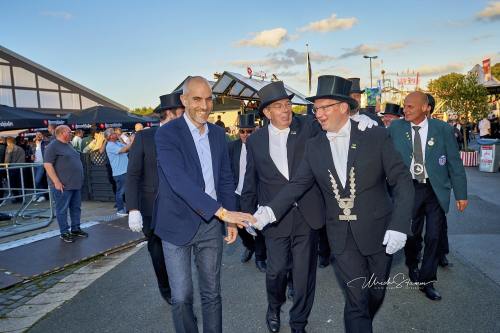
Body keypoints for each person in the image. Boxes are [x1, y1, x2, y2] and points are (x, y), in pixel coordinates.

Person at [241, 75, 413, 333]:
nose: (317, 114)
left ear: (344, 107)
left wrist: (400, 224)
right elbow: (296, 185)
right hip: (340, 237)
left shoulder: (374, 136)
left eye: (324, 108)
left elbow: (402, 181)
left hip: (378, 232)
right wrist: (263, 215)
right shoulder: (315, 146)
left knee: (375, 293)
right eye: (316, 108)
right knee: (356, 301)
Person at [153, 76, 254, 333]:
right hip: (176, 225)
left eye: (209, 99)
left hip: (210, 226)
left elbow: (225, 178)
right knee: (182, 296)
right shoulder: (166, 134)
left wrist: (228, 218)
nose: (204, 105)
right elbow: (178, 181)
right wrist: (223, 212)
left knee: (212, 293)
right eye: (197, 98)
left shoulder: (219, 134)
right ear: (184, 100)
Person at [388, 91, 468, 301]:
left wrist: (461, 194)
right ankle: (412, 264)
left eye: (410, 107)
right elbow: (380, 147)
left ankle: (427, 281)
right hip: (409, 189)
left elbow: (454, 163)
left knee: (434, 236)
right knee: (412, 235)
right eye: (404, 106)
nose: (404, 110)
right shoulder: (396, 127)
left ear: (426, 108)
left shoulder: (442, 129)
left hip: (435, 190)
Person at [126, 92, 185, 305]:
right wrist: (132, 209)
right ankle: (165, 287)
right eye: (182, 112)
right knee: (158, 252)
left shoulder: (185, 137)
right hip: (152, 208)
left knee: (180, 250)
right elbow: (132, 175)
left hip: (181, 206)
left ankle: (181, 289)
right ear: (169, 113)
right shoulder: (144, 138)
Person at [228, 113, 267, 272]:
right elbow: (227, 171)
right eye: (242, 131)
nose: (245, 134)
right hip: (237, 194)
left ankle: (260, 257)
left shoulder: (262, 146)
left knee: (258, 227)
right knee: (242, 228)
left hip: (256, 195)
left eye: (249, 131)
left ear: (255, 130)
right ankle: (249, 246)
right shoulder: (231, 147)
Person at [43, 125, 87, 243]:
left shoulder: (69, 144)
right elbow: (47, 165)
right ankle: (64, 232)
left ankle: (75, 229)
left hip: (75, 184)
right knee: (62, 209)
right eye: (69, 132)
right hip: (63, 185)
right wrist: (56, 182)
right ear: (62, 133)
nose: (71, 133)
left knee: (76, 208)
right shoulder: (53, 146)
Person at [104, 128, 133, 216]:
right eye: (113, 133)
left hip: (125, 170)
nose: (115, 134)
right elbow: (124, 150)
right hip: (120, 172)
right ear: (109, 136)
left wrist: (128, 141)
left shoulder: (117, 143)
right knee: (120, 192)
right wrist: (132, 141)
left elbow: (126, 147)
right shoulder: (110, 145)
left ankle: (128, 208)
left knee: (127, 191)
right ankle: (120, 210)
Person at [31, 132, 48, 202]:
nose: (38, 136)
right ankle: (39, 194)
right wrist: (31, 156)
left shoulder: (45, 143)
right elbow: (30, 153)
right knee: (37, 180)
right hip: (34, 164)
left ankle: (40, 194)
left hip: (42, 164)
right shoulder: (33, 144)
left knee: (37, 180)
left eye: (40, 135)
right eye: (37, 135)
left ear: (42, 136)